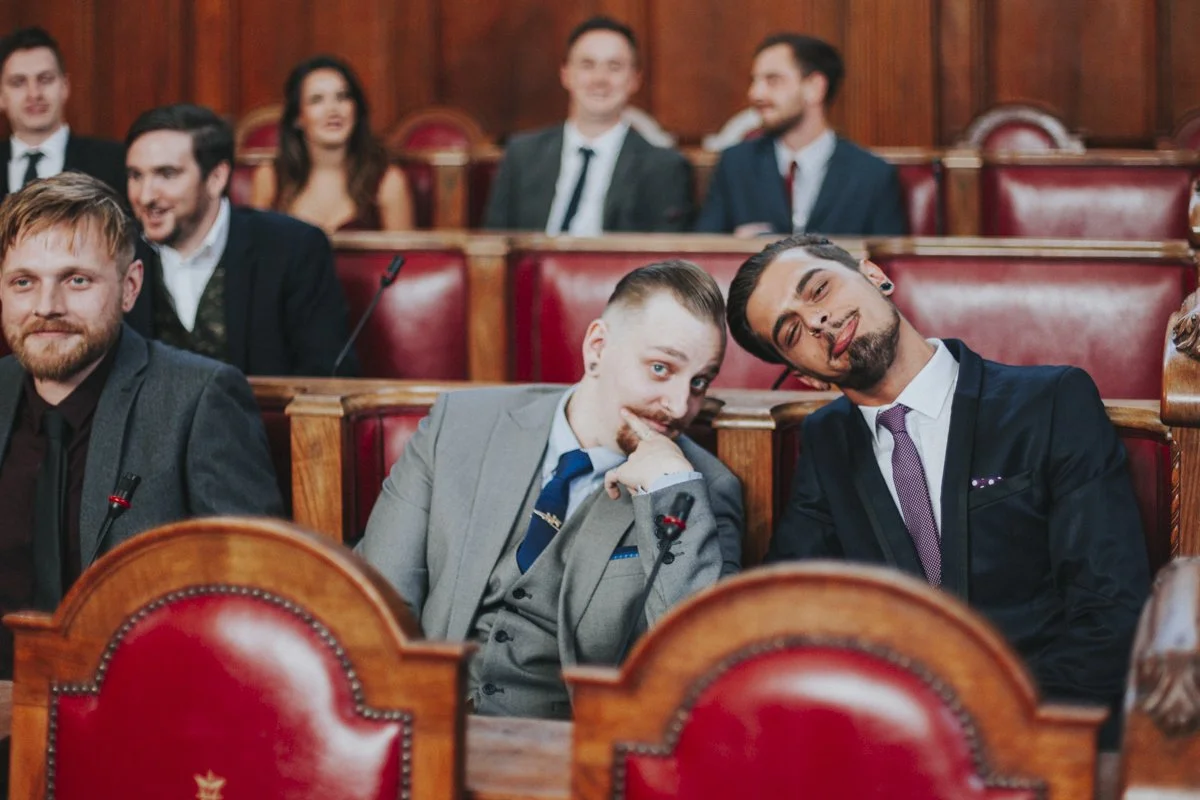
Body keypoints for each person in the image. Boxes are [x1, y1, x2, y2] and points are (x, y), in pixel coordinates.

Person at [725, 233, 1149, 745]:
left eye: (818, 290)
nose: (816, 321)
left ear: (875, 277)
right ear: (806, 377)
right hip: (898, 747)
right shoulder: (826, 442)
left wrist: (1015, 744)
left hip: (1044, 732)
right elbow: (785, 614)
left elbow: (1108, 606)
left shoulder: (1051, 400)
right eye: (791, 332)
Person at [358, 260, 742, 719]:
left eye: (700, 381)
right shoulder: (460, 425)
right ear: (597, 347)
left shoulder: (701, 491)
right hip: (426, 724)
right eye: (661, 368)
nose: (681, 406)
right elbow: (376, 600)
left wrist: (667, 487)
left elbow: (698, 668)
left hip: (571, 755)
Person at [0, 172, 284, 676]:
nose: (46, 307)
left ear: (130, 287)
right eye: (24, 282)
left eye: (77, 280)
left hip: (142, 716)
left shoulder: (199, 399)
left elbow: (256, 600)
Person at [124, 104, 359, 376]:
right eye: (136, 176)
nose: (145, 196)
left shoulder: (293, 248)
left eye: (166, 174)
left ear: (216, 178)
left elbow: (327, 376)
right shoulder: (118, 252)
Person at [483, 16, 692, 234]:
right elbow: (493, 243)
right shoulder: (522, 155)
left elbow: (664, 261)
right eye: (587, 65)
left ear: (634, 79)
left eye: (614, 67)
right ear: (565, 74)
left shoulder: (665, 167)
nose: (600, 78)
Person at [695, 35, 907, 237]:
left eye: (773, 80)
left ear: (814, 88)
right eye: (754, 80)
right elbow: (704, 256)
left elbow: (885, 269)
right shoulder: (735, 164)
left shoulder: (872, 175)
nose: (755, 93)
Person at [250, 55, 413, 233]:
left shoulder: (388, 180)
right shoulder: (270, 177)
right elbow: (256, 255)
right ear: (298, 117)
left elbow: (404, 259)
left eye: (342, 97)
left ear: (356, 108)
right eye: (317, 100)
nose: (333, 110)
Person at [0, 27, 125, 199]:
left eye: (45, 79)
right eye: (18, 82)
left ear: (65, 86)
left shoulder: (114, 162)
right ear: (1, 96)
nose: (34, 94)